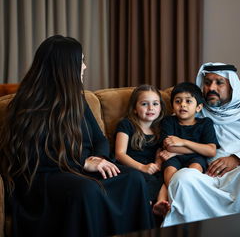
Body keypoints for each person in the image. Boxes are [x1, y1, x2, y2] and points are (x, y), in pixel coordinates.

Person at [0, 35, 154, 237]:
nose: (84, 67)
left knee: (134, 178)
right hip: (45, 177)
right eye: (80, 61)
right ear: (65, 66)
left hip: (79, 169)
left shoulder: (78, 100)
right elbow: (30, 156)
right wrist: (82, 162)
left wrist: (98, 159)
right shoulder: (26, 104)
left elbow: (100, 140)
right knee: (86, 190)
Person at [161, 62, 240, 227]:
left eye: (219, 83)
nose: (211, 88)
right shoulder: (195, 107)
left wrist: (237, 158)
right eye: (207, 82)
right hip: (204, 178)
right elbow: (172, 139)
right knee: (183, 177)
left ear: (232, 86)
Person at [152, 82, 219, 216]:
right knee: (170, 173)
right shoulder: (168, 122)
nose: (183, 104)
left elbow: (211, 150)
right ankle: (166, 203)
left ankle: (172, 201)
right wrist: (199, 148)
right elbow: (170, 147)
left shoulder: (205, 123)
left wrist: (182, 142)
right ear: (173, 106)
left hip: (195, 159)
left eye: (188, 101)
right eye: (178, 101)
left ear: (198, 107)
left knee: (192, 174)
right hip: (173, 158)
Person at [115, 84, 166, 204]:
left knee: (165, 178)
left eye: (155, 103)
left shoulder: (161, 128)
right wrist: (142, 167)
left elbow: (161, 150)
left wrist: (157, 164)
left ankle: (159, 203)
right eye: (144, 104)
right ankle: (145, 202)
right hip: (131, 167)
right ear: (134, 108)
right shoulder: (126, 124)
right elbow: (119, 154)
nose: (150, 108)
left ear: (161, 107)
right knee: (144, 180)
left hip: (151, 169)